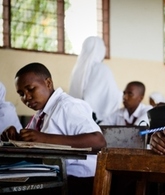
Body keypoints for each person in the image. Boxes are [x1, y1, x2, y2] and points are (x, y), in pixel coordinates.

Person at [0, 62, 106, 195]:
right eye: (21, 94)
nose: (26, 97)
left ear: (48, 83)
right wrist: (14, 136)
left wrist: (45, 139)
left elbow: (98, 142)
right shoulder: (40, 113)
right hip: (55, 175)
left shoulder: (67, 106)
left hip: (81, 179)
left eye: (31, 89)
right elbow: (30, 142)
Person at [69, 36, 122, 124]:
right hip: (95, 121)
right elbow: (112, 96)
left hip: (76, 118)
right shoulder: (102, 68)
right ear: (100, 50)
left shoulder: (77, 71)